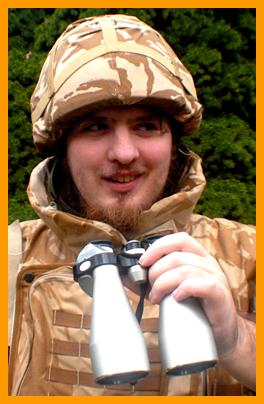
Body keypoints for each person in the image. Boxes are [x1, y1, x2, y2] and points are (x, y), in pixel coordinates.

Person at [8, 14, 256, 396]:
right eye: (95, 126)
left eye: (146, 126)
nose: (124, 153)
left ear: (174, 142)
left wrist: (238, 340)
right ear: (62, 146)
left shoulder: (249, 255)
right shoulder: (11, 260)